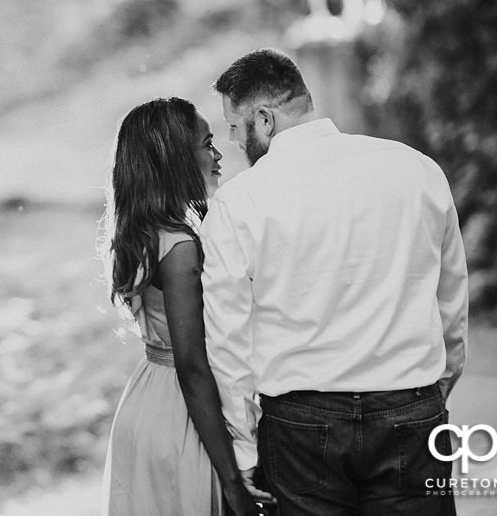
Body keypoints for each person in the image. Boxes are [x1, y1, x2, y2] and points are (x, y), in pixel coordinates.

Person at [200, 48, 469, 515]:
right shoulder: (416, 169)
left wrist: (243, 447)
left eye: (234, 125)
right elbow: (450, 293)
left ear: (264, 118)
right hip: (409, 408)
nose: (231, 139)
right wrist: (442, 378)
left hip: (302, 428)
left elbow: (228, 340)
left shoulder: (239, 202)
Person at [100, 97, 271, 516]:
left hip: (145, 399)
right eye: (207, 144)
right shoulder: (179, 247)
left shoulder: (144, 231)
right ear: (175, 159)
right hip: (182, 413)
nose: (217, 155)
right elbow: (192, 364)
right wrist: (233, 481)